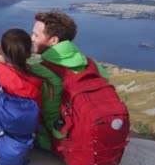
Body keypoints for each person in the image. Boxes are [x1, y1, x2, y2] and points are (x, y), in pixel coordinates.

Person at [27, 10, 110, 151]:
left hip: (62, 143)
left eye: (36, 35)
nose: (31, 38)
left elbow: (46, 116)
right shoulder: (94, 66)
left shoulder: (41, 71)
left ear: (53, 40)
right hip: (99, 135)